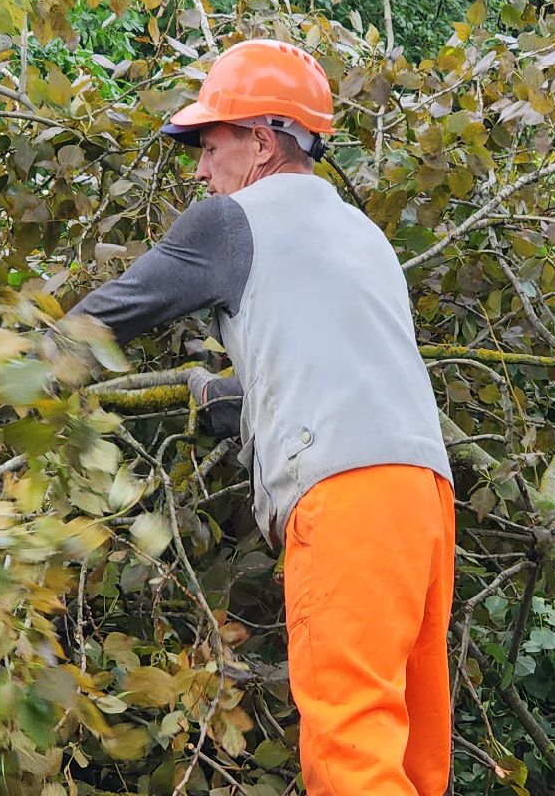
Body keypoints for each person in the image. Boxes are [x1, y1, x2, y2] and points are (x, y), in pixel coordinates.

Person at [69, 38, 455, 796]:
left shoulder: (231, 222)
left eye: (210, 145)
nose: (200, 170)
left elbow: (96, 327)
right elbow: (332, 367)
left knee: (349, 749)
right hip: (422, 500)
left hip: (345, 503)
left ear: (261, 140)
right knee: (412, 755)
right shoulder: (362, 236)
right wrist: (235, 403)